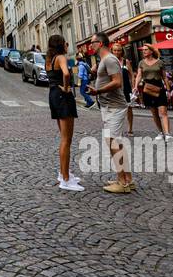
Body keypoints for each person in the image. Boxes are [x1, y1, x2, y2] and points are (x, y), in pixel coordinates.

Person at [87, 33, 133, 194]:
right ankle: (128, 179)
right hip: (109, 107)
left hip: (114, 107)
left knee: (113, 143)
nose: (90, 45)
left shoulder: (110, 59)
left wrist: (98, 90)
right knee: (117, 143)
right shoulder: (104, 60)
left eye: (92, 43)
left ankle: (122, 182)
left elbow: (117, 82)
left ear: (99, 43)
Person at [47, 34, 82, 192]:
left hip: (53, 95)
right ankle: (66, 179)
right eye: (65, 43)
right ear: (61, 45)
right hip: (62, 96)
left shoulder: (50, 59)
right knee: (66, 139)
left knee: (64, 138)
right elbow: (66, 74)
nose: (68, 45)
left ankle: (63, 173)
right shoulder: (61, 58)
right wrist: (67, 87)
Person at [134, 43, 172, 139]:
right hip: (147, 89)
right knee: (154, 113)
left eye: (146, 49)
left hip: (159, 88)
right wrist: (135, 86)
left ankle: (167, 134)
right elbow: (139, 75)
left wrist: (168, 90)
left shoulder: (159, 62)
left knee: (163, 112)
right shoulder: (141, 63)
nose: (144, 51)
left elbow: (164, 77)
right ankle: (160, 132)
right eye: (143, 50)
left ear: (151, 51)